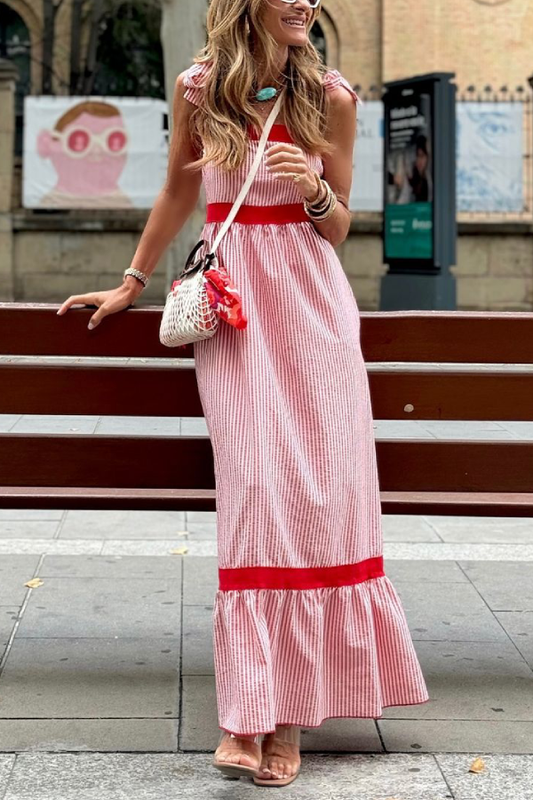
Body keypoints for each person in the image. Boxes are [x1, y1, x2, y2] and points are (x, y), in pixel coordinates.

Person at [57, 0, 430, 787]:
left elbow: (338, 229)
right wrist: (130, 283)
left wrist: (315, 191)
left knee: (315, 498)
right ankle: (246, 713)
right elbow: (175, 196)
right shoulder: (201, 89)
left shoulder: (330, 96)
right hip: (235, 308)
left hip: (314, 310)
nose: (303, 0)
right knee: (258, 491)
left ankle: (281, 720)